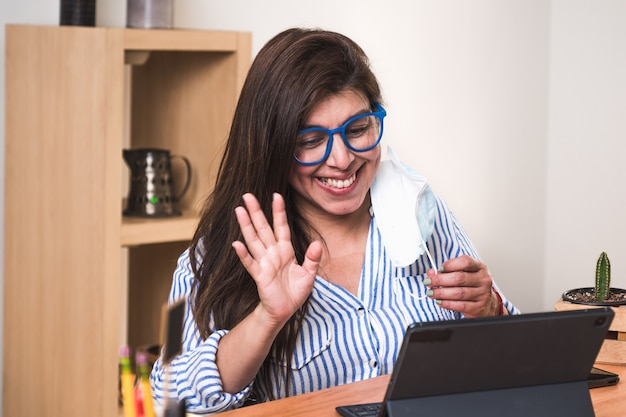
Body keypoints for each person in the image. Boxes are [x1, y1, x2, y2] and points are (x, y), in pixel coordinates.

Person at [150, 27, 520, 414]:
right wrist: (266, 318)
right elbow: (167, 397)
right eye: (310, 140)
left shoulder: (424, 215)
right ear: (272, 147)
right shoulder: (209, 258)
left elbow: (520, 357)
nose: (342, 160)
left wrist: (486, 308)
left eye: (357, 129)